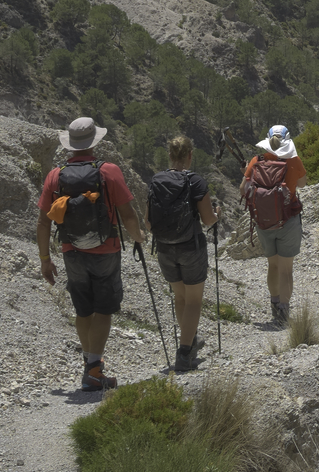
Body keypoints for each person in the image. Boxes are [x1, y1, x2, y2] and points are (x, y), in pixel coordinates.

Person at [37, 116, 147, 392]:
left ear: (71, 145)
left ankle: (91, 366)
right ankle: (93, 370)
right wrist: (139, 238)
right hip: (105, 250)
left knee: (83, 309)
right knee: (103, 309)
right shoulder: (108, 171)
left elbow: (43, 221)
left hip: (71, 250)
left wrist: (44, 260)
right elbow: (127, 213)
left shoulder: (55, 175)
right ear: (94, 142)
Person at [148, 136, 220, 372]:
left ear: (169, 155)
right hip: (191, 247)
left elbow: (148, 223)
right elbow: (208, 220)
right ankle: (185, 352)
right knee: (194, 300)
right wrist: (217, 214)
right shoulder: (196, 181)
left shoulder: (156, 181)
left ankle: (190, 340)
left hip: (165, 248)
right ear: (190, 156)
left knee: (180, 297)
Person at [241, 124, 307, 324]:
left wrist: (248, 173)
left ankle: (274, 304)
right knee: (286, 269)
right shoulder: (293, 160)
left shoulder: (256, 160)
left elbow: (243, 190)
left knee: (273, 265)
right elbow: (303, 183)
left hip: (263, 222)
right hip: (288, 220)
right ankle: (284, 312)